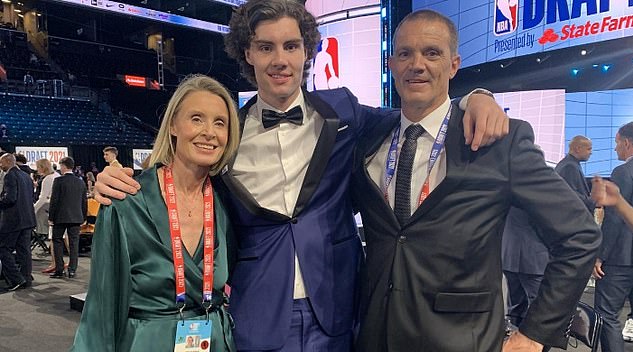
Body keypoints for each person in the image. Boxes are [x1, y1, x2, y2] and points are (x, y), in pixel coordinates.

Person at [93, 1, 508, 350]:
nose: (280, 60)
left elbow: (416, 115)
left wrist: (476, 96)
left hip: (338, 307)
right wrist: (117, 179)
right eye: (266, 46)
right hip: (258, 309)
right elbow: (177, 178)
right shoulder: (226, 135)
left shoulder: (342, 111)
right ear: (247, 53)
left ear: (307, 51)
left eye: (291, 45)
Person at [350, 9, 600, 351]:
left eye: (432, 53)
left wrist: (534, 334)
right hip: (375, 337)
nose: (417, 64)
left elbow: (580, 236)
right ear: (391, 64)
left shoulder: (500, 141)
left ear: (453, 65)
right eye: (405, 53)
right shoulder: (370, 137)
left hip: (462, 340)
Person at [70, 75, 240, 352]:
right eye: (196, 118)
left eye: (220, 122)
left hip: (214, 341)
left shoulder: (227, 202)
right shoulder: (127, 200)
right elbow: (101, 311)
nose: (209, 131)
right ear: (172, 125)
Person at [593, 121, 633, 352]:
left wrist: (599, 256)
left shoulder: (622, 172)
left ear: (627, 143)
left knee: (607, 315)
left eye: (617, 142)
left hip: (620, 259)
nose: (616, 148)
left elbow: (615, 219)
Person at [501, 207, 549, 329]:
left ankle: (513, 343)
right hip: (534, 255)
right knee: (540, 309)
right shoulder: (536, 190)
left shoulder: (508, 189)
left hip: (510, 253)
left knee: (515, 307)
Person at [0, 153, 37, 291]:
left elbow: (10, 198)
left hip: (13, 220)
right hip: (27, 219)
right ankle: (26, 278)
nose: (0, 166)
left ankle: (17, 279)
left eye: (1, 163)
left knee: (3, 249)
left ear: (8, 162)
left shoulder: (10, 175)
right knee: (24, 251)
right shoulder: (26, 176)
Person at [48, 157, 87, 279]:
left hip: (60, 217)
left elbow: (54, 200)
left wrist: (51, 217)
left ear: (63, 166)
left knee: (57, 241)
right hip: (76, 217)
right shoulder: (80, 181)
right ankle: (72, 270)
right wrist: (83, 217)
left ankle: (59, 269)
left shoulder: (59, 181)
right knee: (74, 244)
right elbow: (83, 201)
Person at [33, 158, 62, 273]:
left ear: (42, 167)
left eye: (38, 167)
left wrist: (33, 210)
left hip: (50, 210)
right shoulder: (57, 175)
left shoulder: (48, 179)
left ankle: (54, 263)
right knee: (62, 238)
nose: (37, 170)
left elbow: (43, 198)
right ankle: (64, 263)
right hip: (60, 210)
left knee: (53, 238)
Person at [555, 135, 595, 212]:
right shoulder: (570, 166)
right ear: (578, 149)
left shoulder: (569, 163)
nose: (591, 153)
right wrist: (592, 201)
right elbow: (570, 194)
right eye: (589, 149)